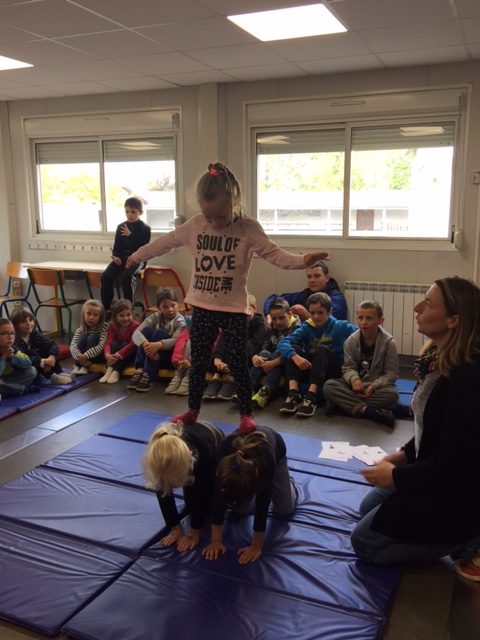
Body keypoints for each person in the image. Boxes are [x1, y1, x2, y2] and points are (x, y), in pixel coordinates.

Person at [126, 161, 329, 433]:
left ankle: (245, 414)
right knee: (199, 361)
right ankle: (192, 410)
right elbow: (164, 242)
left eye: (219, 216)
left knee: (237, 361)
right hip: (201, 306)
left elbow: (276, 255)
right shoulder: (196, 225)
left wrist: (303, 260)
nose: (213, 221)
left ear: (234, 203)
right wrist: (137, 255)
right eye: (207, 215)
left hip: (233, 308)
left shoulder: (247, 228)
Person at [350, 277, 480, 572]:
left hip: (455, 491)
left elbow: (453, 466)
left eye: (428, 304)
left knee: (365, 542)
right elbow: (429, 429)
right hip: (431, 470)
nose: (417, 308)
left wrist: (396, 476)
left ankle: (468, 540)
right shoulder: (434, 360)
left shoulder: (468, 380)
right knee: (367, 508)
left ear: (453, 320)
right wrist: (401, 456)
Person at [202, 426, 297, 564]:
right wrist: (216, 541)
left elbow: (263, 504)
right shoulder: (221, 459)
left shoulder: (266, 460)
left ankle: (289, 482)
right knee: (240, 510)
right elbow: (217, 498)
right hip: (247, 466)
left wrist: (256, 546)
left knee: (285, 510)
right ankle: (243, 495)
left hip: (276, 454)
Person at [143, 420, 224, 552]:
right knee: (190, 503)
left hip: (213, 439)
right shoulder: (158, 458)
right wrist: (175, 528)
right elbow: (163, 493)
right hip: (189, 441)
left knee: (207, 503)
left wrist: (194, 532)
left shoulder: (204, 456)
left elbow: (201, 494)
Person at [277, 292, 356, 418]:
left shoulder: (340, 326)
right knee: (293, 349)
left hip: (332, 369)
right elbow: (283, 343)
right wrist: (295, 356)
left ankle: (311, 396)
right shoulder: (307, 327)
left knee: (321, 349)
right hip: (314, 369)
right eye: (312, 313)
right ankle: (293, 394)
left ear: (329, 311)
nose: (315, 317)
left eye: (320, 313)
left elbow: (361, 333)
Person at [323, 300, 399, 427]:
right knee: (329, 386)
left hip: (375, 388)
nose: (364, 322)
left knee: (392, 396)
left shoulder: (389, 343)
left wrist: (374, 385)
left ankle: (343, 405)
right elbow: (347, 368)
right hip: (353, 387)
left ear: (380, 321)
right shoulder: (351, 341)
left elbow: (392, 373)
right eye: (360, 318)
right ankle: (370, 411)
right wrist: (354, 380)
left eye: (369, 318)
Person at [203, 294, 265, 401]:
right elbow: (223, 340)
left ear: (254, 309)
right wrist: (217, 358)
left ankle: (232, 379)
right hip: (232, 354)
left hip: (248, 354)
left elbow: (254, 344)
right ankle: (216, 377)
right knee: (217, 353)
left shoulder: (259, 323)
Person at [128, 287, 186, 393]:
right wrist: (146, 345)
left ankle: (149, 374)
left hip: (168, 357)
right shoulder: (155, 316)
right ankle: (140, 369)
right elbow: (136, 333)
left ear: (177, 304)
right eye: (165, 307)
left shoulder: (180, 321)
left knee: (159, 333)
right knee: (146, 331)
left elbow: (176, 341)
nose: (170, 309)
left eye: (173, 305)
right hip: (153, 355)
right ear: (159, 308)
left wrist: (159, 345)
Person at [100, 196, 151, 313]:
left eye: (133, 212)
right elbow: (117, 246)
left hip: (138, 260)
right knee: (105, 276)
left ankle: (128, 308)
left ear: (140, 213)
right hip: (122, 259)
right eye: (127, 212)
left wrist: (131, 235)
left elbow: (143, 249)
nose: (129, 215)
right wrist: (116, 257)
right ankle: (107, 308)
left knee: (126, 277)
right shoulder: (121, 227)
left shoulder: (145, 228)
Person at [250, 297, 301, 409]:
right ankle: (249, 386)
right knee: (264, 353)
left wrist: (273, 363)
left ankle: (267, 390)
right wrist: (256, 356)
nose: (278, 322)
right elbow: (265, 345)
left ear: (289, 314)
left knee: (280, 350)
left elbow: (294, 352)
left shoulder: (297, 328)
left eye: (282, 318)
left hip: (287, 364)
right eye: (274, 319)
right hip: (270, 361)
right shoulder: (271, 327)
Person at [263, 260, 347, 322]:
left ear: (327, 278)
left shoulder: (337, 298)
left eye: (317, 276)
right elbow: (273, 298)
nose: (312, 280)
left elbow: (331, 325)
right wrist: (269, 315)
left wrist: (305, 314)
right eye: (309, 277)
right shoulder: (305, 294)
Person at [10, 306, 73, 385]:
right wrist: (43, 361)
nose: (29, 324)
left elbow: (52, 345)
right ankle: (52, 376)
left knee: (48, 349)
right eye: (23, 321)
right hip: (23, 368)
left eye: (30, 320)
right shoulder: (15, 339)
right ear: (15, 324)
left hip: (38, 366)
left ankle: (59, 372)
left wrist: (51, 358)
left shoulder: (33, 334)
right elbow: (23, 360)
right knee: (32, 352)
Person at [100, 299, 140, 384]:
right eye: (121, 315)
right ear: (115, 316)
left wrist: (118, 355)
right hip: (116, 354)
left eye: (128, 315)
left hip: (130, 354)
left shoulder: (135, 325)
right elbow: (108, 342)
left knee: (125, 344)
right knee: (114, 344)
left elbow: (132, 344)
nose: (125, 318)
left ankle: (117, 371)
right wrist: (107, 355)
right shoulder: (112, 326)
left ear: (132, 314)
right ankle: (109, 369)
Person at [0, 318, 38, 398]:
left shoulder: (13, 348)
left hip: (7, 380)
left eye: (12, 333)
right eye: (4, 334)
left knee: (32, 371)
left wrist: (12, 357)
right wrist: (3, 357)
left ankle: (6, 391)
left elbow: (27, 363)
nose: (10, 337)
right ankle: (22, 389)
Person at [70, 299, 108, 375]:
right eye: (88, 313)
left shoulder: (104, 328)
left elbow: (101, 346)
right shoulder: (81, 328)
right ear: (83, 314)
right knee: (82, 337)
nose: (91, 317)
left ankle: (85, 366)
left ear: (100, 317)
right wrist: (78, 356)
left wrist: (86, 356)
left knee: (92, 338)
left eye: (95, 315)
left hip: (96, 357)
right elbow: (73, 345)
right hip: (81, 358)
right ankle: (78, 365)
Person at [164, 320, 191, 396]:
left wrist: (190, 360)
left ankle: (188, 377)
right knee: (186, 342)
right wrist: (177, 360)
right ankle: (178, 375)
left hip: (201, 360)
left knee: (191, 342)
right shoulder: (190, 327)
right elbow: (180, 343)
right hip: (185, 361)